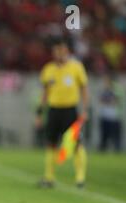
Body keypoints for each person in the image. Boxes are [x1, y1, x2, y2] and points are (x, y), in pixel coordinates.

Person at [35, 37, 89, 188]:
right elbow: (45, 93)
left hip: (70, 111)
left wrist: (85, 110)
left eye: (62, 50)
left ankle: (80, 178)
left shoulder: (76, 67)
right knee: (51, 144)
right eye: (57, 50)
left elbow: (84, 89)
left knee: (76, 144)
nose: (59, 53)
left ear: (67, 51)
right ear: (53, 52)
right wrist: (39, 113)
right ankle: (49, 177)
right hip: (53, 110)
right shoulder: (48, 69)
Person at [98, 73, 125, 152]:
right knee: (104, 136)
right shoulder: (105, 89)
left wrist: (108, 100)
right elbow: (101, 100)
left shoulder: (117, 89)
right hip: (105, 116)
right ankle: (103, 150)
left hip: (115, 117)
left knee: (116, 137)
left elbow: (115, 101)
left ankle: (117, 151)